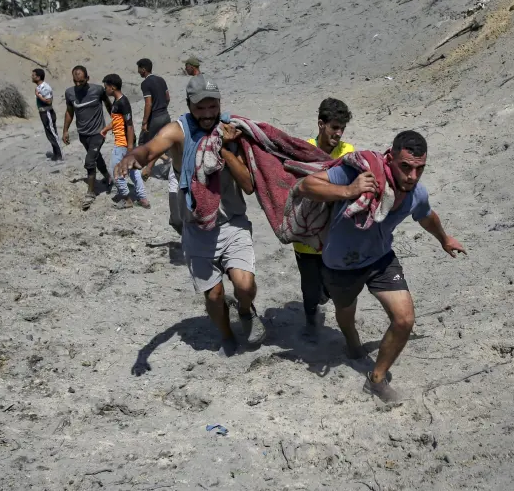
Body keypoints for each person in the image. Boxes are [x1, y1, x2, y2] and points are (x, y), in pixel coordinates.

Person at [298, 130, 465, 403]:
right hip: (341, 264)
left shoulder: (416, 193)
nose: (412, 176)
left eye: (419, 169)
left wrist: (444, 239)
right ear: (390, 158)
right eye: (406, 167)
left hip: (380, 259)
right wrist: (349, 191)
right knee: (345, 311)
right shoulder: (359, 173)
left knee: (404, 319)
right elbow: (307, 186)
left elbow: (426, 216)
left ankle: (376, 379)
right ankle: (351, 342)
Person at [116, 75, 266, 356]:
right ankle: (226, 335)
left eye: (213, 107)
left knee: (245, 286)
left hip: (232, 223)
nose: (208, 114)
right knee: (214, 295)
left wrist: (222, 147)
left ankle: (245, 311)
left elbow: (247, 185)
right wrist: (135, 156)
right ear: (189, 105)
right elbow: (154, 145)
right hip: (197, 227)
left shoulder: (231, 130)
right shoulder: (179, 131)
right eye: (201, 108)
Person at [293, 98, 355, 330]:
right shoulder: (303, 150)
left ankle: (322, 296)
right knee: (310, 289)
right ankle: (310, 321)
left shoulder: (347, 152)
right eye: (334, 127)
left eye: (342, 128)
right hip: (306, 234)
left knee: (330, 286)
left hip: (334, 234)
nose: (338, 133)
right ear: (321, 124)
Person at [62, 65, 113, 210]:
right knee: (96, 157)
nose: (78, 85)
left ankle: (91, 193)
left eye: (81, 82)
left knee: (90, 161)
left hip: (99, 132)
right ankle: (108, 177)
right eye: (75, 82)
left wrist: (115, 123)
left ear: (88, 79)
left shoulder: (97, 90)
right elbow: (69, 112)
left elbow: (109, 105)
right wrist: (65, 130)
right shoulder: (70, 93)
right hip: (83, 134)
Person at [99, 74, 149, 209]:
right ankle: (143, 199)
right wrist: (105, 129)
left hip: (123, 144)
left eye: (106, 87)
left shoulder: (123, 102)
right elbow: (117, 122)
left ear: (113, 87)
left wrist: (130, 147)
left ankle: (127, 200)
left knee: (115, 171)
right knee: (133, 171)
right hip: (124, 142)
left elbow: (130, 125)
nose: (105, 90)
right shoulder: (117, 102)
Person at [136, 58, 172, 179]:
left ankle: (164, 160)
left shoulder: (145, 83)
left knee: (144, 142)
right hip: (165, 115)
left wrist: (145, 122)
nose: (138, 72)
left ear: (143, 69)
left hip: (155, 118)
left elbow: (148, 104)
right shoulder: (161, 79)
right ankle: (164, 161)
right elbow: (167, 98)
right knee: (161, 141)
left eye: (139, 69)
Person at [32, 68, 62, 161]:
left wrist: (38, 95)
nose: (32, 77)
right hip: (43, 112)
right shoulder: (39, 87)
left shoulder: (44, 87)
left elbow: (48, 101)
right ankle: (56, 154)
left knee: (53, 133)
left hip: (47, 112)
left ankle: (59, 155)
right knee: (49, 134)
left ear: (39, 77)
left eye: (34, 75)